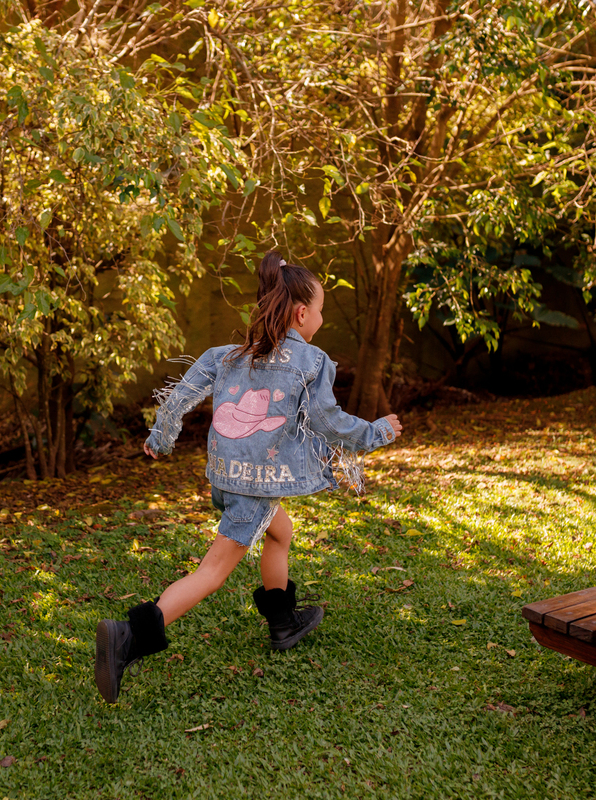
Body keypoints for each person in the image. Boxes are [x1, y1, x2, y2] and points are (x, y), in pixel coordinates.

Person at [94, 251, 403, 703]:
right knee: (213, 571)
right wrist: (377, 431)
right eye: (320, 310)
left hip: (224, 477)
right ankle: (129, 637)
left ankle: (282, 622)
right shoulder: (310, 361)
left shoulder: (227, 354)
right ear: (302, 313)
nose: (320, 317)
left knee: (281, 532)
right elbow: (329, 422)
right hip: (255, 484)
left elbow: (179, 398)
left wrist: (161, 439)